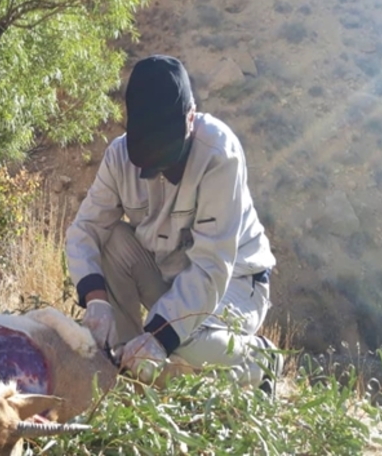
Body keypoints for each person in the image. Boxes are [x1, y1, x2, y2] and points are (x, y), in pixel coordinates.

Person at [65, 54, 282, 392]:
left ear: (191, 119)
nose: (161, 172)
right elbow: (86, 230)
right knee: (111, 239)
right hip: (170, 278)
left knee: (179, 342)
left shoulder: (219, 155)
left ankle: (259, 359)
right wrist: (96, 300)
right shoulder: (118, 156)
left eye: (168, 160)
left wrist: (159, 336)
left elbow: (211, 268)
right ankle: (125, 364)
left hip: (235, 283)